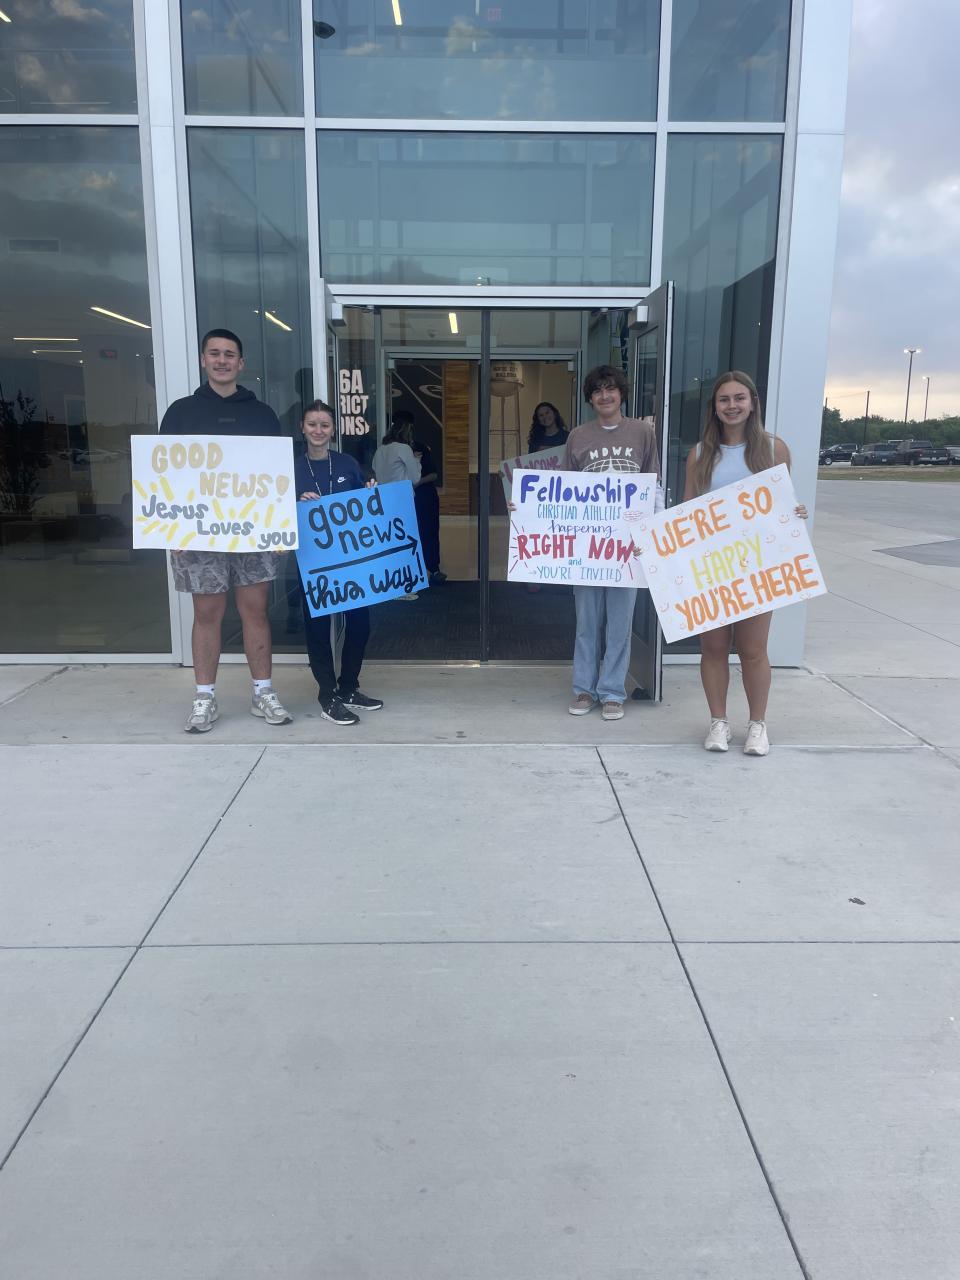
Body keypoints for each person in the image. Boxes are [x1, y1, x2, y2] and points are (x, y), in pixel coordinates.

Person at [160, 328, 292, 734]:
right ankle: (204, 697)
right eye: (214, 353)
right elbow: (164, 474)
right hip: (198, 533)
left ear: (241, 363)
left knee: (255, 610)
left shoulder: (263, 415)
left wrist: (278, 527)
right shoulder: (180, 413)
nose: (222, 360)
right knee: (206, 613)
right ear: (203, 360)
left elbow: (275, 477)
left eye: (229, 354)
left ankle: (263, 691)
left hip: (252, 532)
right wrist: (171, 527)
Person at [683, 370, 807, 757]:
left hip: (757, 565)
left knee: (753, 649)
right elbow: (685, 514)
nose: (732, 405)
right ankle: (718, 722)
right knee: (713, 648)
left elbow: (783, 505)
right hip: (711, 567)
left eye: (739, 398)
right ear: (714, 407)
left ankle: (757, 725)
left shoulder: (774, 449)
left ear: (753, 403)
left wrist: (796, 513)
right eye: (724, 399)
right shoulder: (700, 454)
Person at [562, 365, 662, 721]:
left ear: (621, 393)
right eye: (597, 391)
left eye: (610, 389)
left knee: (620, 625)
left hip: (627, 547)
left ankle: (612, 692)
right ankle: (583, 689)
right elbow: (563, 492)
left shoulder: (642, 433)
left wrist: (652, 532)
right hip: (588, 548)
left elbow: (653, 485)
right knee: (587, 624)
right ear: (590, 399)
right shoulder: (577, 436)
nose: (604, 396)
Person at [295, 400, 384, 726]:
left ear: (333, 430)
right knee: (318, 629)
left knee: (360, 624)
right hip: (313, 562)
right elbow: (276, 514)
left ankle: (348, 687)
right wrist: (297, 503)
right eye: (312, 424)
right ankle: (327, 694)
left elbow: (366, 509)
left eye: (325, 425)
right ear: (302, 428)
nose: (318, 430)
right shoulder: (292, 469)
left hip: (350, 562)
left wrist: (372, 492)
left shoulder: (347, 463)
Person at [391, 409, 446, 585]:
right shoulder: (389, 451)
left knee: (428, 531)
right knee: (404, 534)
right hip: (401, 498)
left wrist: (416, 483)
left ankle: (433, 568)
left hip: (423, 496)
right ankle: (409, 572)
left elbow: (433, 474)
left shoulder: (420, 448)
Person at [372, 418, 422, 599]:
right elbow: (415, 478)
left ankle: (391, 585)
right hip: (402, 500)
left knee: (390, 544)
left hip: (383, 500)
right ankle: (404, 587)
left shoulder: (380, 450)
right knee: (406, 544)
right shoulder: (404, 449)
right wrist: (417, 461)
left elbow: (375, 470)